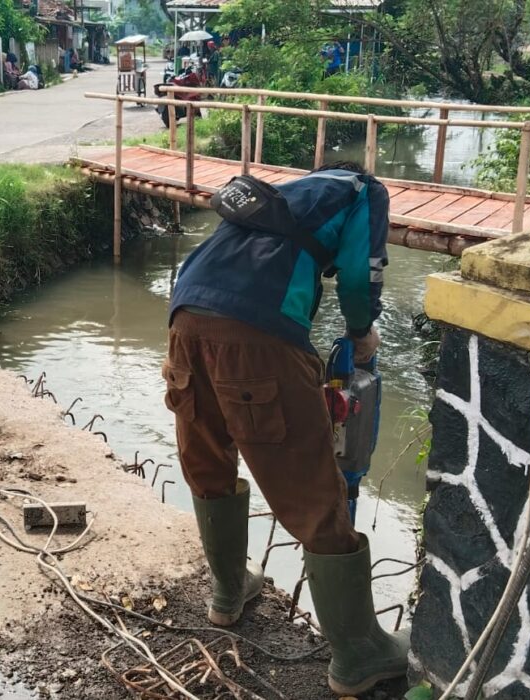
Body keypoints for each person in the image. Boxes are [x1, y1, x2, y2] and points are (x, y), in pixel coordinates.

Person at [162, 162, 406, 696]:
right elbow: (363, 274)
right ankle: (358, 655)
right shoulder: (364, 191)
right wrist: (362, 334)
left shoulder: (288, 192)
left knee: (207, 456)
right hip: (258, 329)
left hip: (186, 312)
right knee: (313, 489)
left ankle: (228, 592)